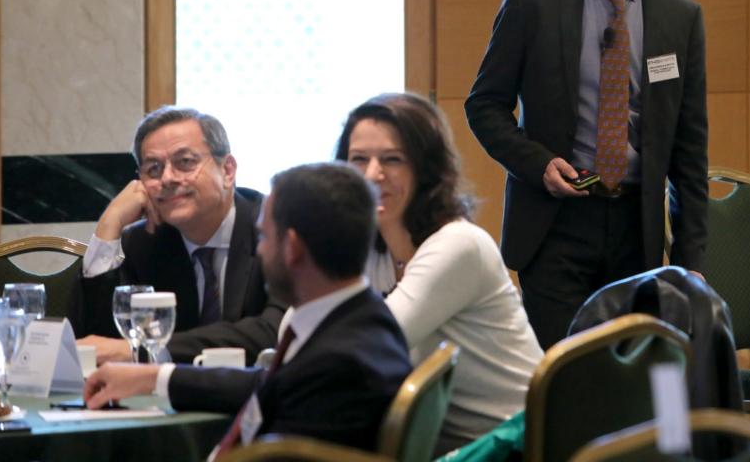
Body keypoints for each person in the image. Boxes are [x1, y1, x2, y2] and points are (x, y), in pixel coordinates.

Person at [465, 0, 708, 348]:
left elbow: (689, 151)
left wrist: (690, 264)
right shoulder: (533, 1)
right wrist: (537, 164)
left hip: (636, 231)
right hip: (555, 224)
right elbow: (484, 105)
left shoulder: (679, 18)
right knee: (562, 375)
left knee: (631, 378)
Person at [84, 162, 412, 454]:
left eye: (264, 238)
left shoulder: (339, 363)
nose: (261, 251)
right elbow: (271, 384)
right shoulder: (359, 322)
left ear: (292, 248)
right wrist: (155, 377)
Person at [337, 92, 544, 453]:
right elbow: (306, 324)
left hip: (515, 445)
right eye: (358, 159)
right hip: (442, 446)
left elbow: (372, 342)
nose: (372, 174)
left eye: (392, 159)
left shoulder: (458, 245)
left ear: (426, 170)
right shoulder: (366, 246)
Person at [75, 106, 282, 363]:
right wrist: (109, 225)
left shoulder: (276, 232)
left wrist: (144, 350)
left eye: (185, 162)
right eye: (153, 169)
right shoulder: (144, 242)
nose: (167, 178)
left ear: (227, 171)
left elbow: (275, 331)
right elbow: (98, 343)